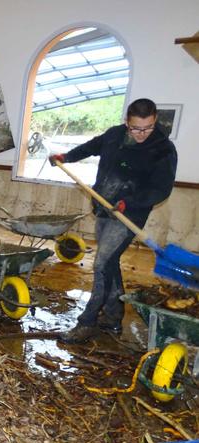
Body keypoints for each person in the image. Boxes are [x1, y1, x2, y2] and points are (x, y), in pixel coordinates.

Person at [49, 98, 177, 343]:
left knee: (100, 265)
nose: (141, 134)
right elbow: (90, 147)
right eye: (136, 128)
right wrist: (66, 156)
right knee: (109, 264)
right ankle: (113, 318)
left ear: (155, 120)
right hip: (104, 208)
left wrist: (130, 202)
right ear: (127, 122)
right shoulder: (115, 135)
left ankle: (87, 322)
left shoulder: (163, 149)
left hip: (128, 215)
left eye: (147, 128)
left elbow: (160, 189)